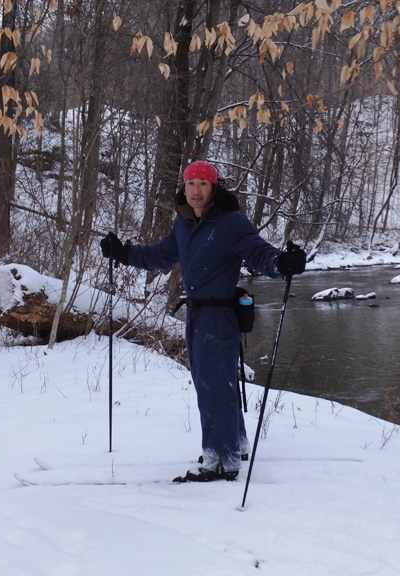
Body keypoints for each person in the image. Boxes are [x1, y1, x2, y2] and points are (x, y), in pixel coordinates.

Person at [100, 160, 306, 482]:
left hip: (219, 316)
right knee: (214, 384)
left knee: (214, 388)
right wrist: (123, 253)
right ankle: (234, 445)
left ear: (214, 188)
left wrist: (283, 263)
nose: (196, 190)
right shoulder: (184, 225)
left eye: (203, 183)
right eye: (191, 183)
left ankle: (220, 462)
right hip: (196, 315)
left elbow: (260, 254)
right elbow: (158, 255)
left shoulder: (231, 224)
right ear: (184, 187)